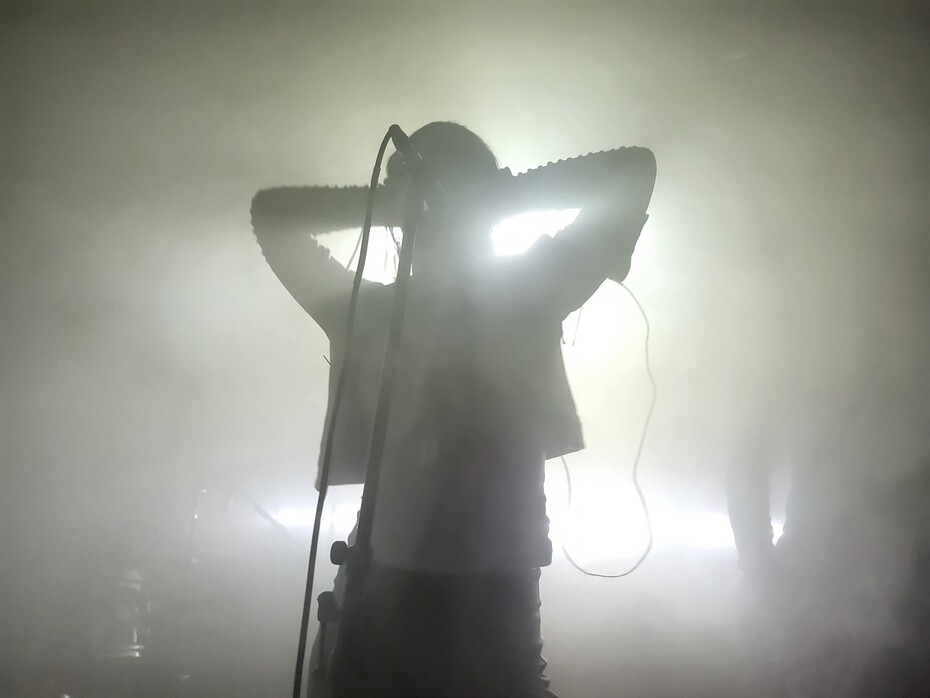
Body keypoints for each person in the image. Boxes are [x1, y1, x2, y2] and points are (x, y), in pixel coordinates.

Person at [251, 121, 656, 697]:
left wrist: (474, 197)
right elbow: (269, 213)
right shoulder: (400, 308)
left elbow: (634, 168)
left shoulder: (520, 291)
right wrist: (422, 202)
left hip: (467, 578)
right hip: (411, 574)